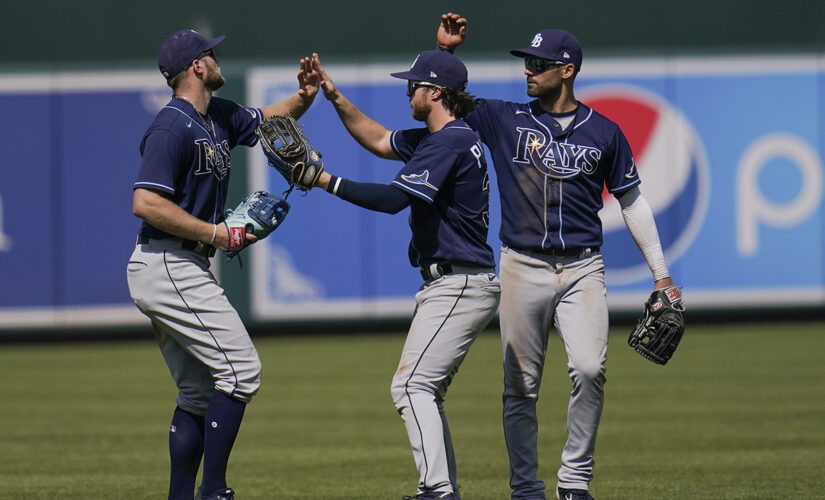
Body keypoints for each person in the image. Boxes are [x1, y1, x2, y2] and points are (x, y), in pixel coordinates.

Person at [436, 14, 680, 500]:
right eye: (527, 61)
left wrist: (661, 276)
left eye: (539, 63)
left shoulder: (605, 132)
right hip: (521, 265)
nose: (529, 69)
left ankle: (574, 482)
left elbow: (631, 200)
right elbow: (447, 99)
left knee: (590, 369)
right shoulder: (506, 118)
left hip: (583, 267)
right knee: (521, 386)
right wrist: (446, 54)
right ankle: (526, 488)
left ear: (566, 70)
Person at [126, 29, 318, 500]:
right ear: (195, 66)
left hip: (179, 264)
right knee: (241, 371)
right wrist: (215, 233)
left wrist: (305, 96)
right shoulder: (172, 126)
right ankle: (213, 490)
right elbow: (146, 203)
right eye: (211, 53)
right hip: (168, 261)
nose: (217, 58)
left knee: (196, 391)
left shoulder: (218, 116)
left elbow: (271, 119)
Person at [308, 50, 501, 499]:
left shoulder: (448, 142)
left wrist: (325, 181)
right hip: (458, 281)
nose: (407, 90)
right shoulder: (443, 137)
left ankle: (437, 490)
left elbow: (396, 200)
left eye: (414, 84)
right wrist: (335, 98)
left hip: (460, 282)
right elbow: (377, 138)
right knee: (423, 390)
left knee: (411, 386)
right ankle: (442, 487)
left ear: (435, 93)